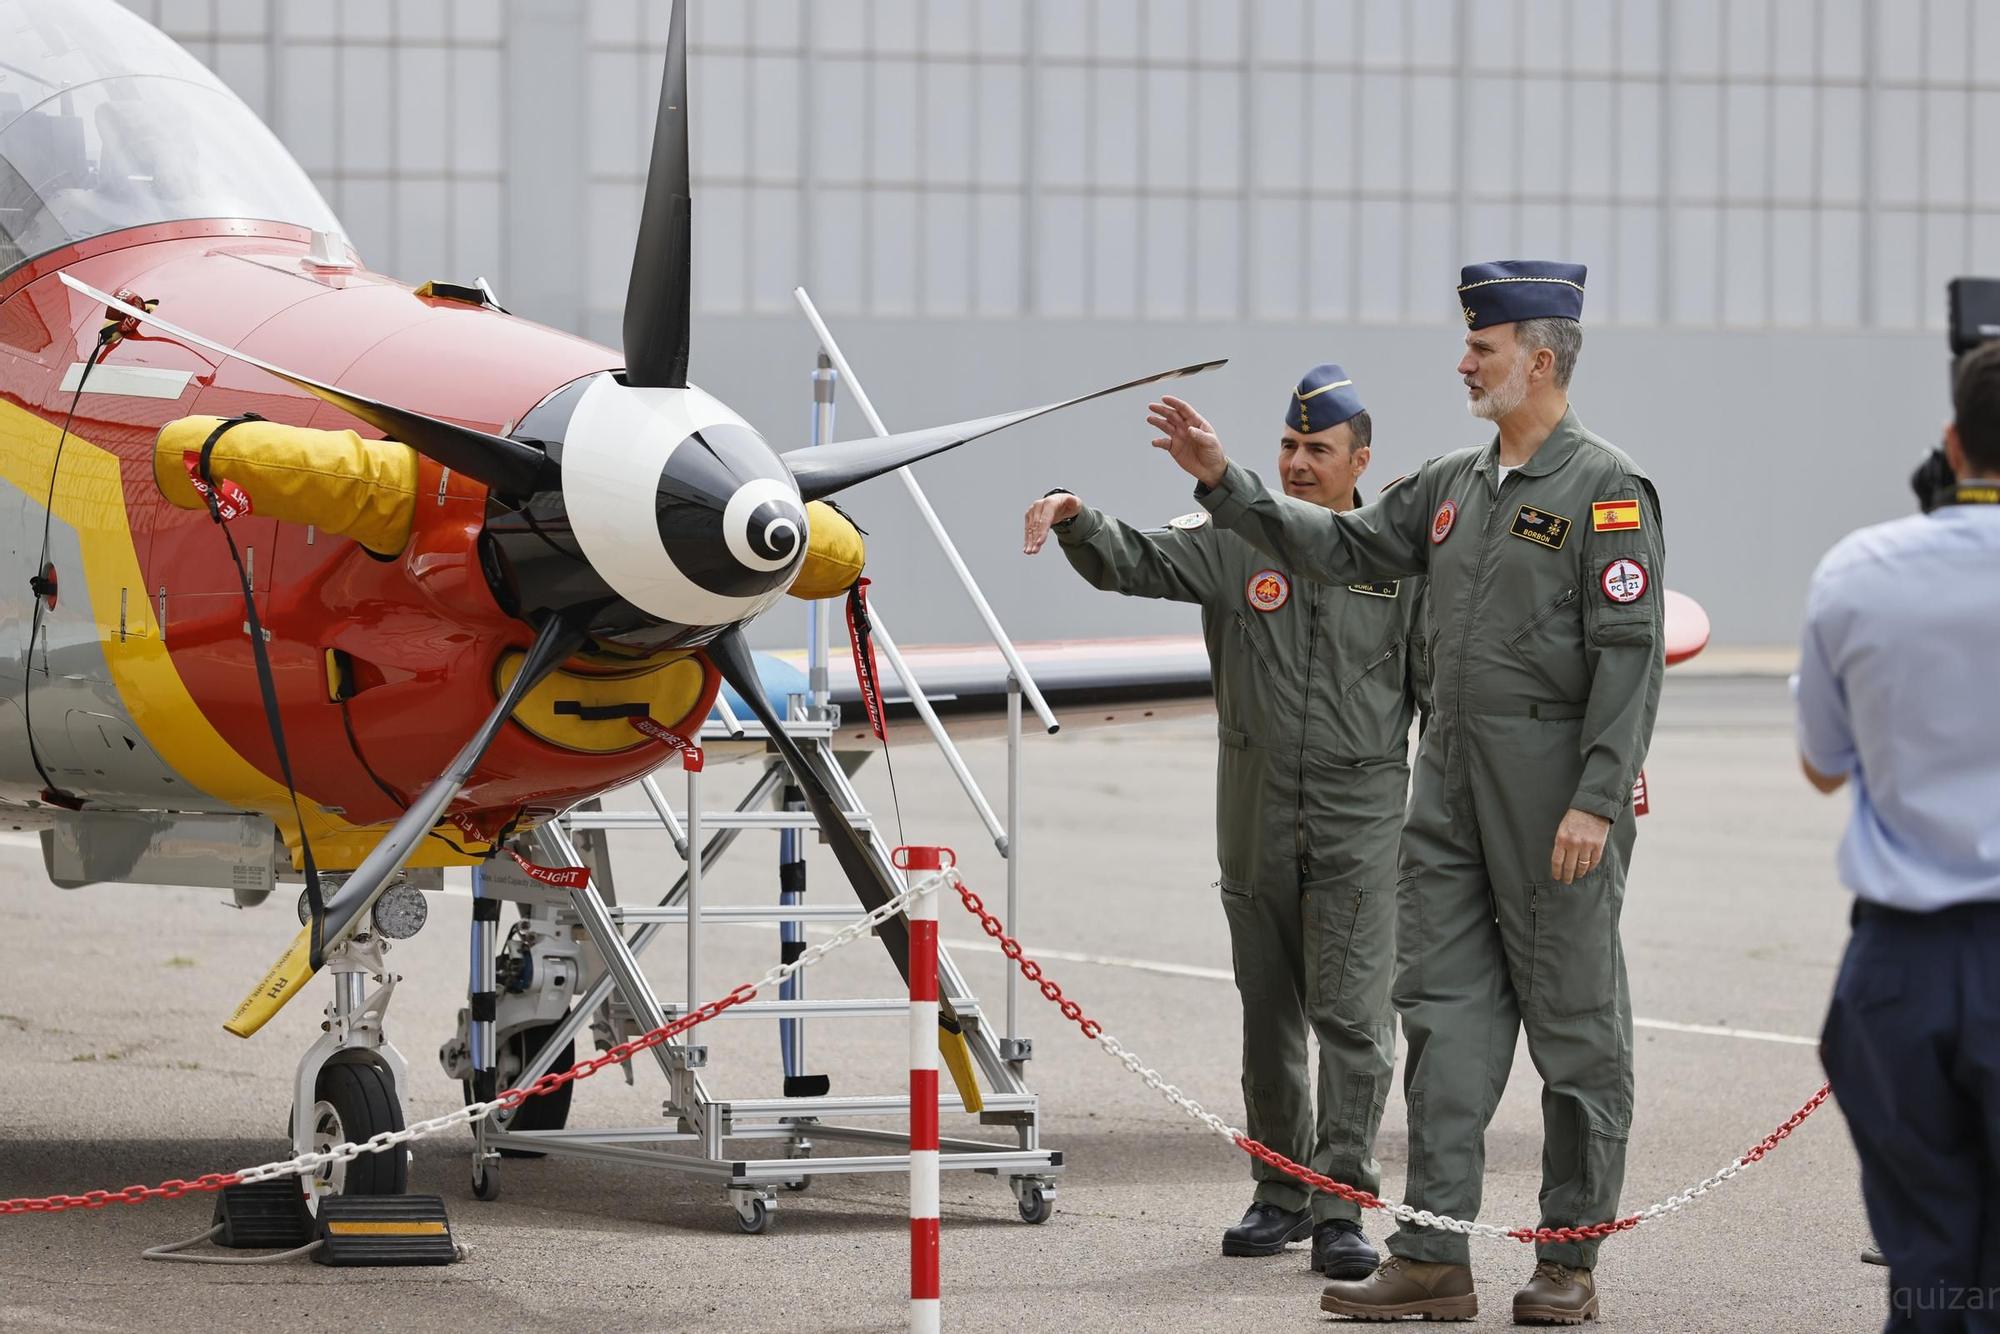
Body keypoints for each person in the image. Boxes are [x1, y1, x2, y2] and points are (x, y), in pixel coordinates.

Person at [1146, 261, 1665, 1324]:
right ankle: (1433, 1251)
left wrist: (1597, 797)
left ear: (1539, 357)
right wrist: (1225, 482)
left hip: (1553, 805)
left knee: (1574, 1030)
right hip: (1449, 803)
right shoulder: (1447, 488)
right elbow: (1335, 542)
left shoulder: (1604, 491)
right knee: (1441, 1022)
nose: (1462, 362)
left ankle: (1566, 1260)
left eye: (1480, 347)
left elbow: (1628, 656)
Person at [1023, 364, 1428, 1280]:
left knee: (1354, 1019)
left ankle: (1342, 1206)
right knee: (1268, 1016)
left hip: (1359, 813)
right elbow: (1135, 559)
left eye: (1317, 450)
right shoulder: (1229, 540)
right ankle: (1281, 1193)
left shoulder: (1399, 561)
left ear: (1360, 460)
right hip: (1252, 809)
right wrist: (1075, 518)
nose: (1296, 463)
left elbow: (1440, 692)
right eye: (1287, 446)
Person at [1797, 338, 2000, 1332]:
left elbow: (1821, 762)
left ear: (1950, 442)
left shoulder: (1858, 571)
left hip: (1901, 964)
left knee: (1928, 1267)